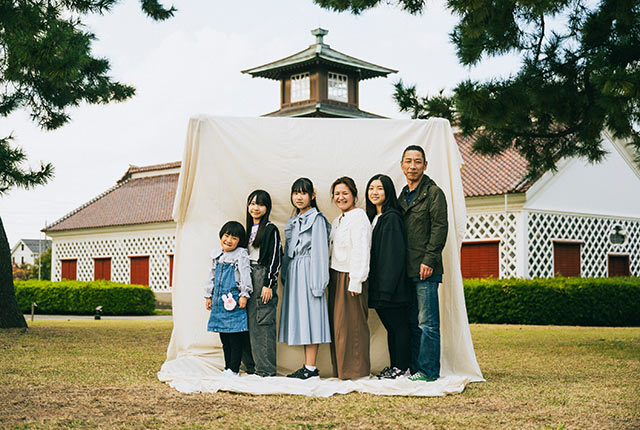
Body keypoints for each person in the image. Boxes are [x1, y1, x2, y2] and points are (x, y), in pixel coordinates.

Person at [398, 145, 448, 382]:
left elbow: (439, 228)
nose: (413, 166)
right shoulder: (402, 195)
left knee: (428, 323)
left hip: (426, 269)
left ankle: (429, 372)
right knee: (413, 323)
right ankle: (417, 369)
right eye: (408, 161)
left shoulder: (434, 193)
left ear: (425, 165)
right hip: (406, 268)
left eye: (418, 161)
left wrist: (429, 260)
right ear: (402, 165)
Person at [278, 178, 332, 379]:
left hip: (309, 272)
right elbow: (287, 252)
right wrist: (285, 275)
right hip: (294, 273)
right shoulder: (293, 221)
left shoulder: (317, 219)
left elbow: (319, 253)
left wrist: (318, 284)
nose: (299, 197)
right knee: (301, 318)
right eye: (295, 193)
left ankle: (311, 368)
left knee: (312, 316)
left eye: (303, 193)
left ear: (312, 195)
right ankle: (307, 366)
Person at [365, 174, 412, 379]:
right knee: (391, 328)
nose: (375, 192)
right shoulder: (375, 218)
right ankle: (396, 367)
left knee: (399, 327)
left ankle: (403, 368)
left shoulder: (391, 217)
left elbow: (393, 255)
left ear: (388, 192)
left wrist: (386, 288)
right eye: (371, 188)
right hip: (380, 286)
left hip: (392, 287)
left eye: (380, 188)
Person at [327, 176, 372, 380]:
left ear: (354, 195)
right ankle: (341, 370)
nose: (341, 197)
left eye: (345, 193)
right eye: (337, 194)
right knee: (339, 327)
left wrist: (356, 279)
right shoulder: (338, 220)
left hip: (351, 277)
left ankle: (356, 371)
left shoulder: (359, 217)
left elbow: (361, 249)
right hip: (336, 275)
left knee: (352, 326)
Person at [241, 190, 282, 377]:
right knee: (245, 323)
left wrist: (269, 283)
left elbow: (275, 258)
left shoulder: (270, 229)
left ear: (267, 208)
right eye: (252, 203)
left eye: (260, 204)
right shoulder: (248, 229)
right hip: (246, 276)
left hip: (261, 275)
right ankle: (250, 366)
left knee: (262, 322)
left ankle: (265, 370)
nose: (255, 208)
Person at [204, 221, 252, 377]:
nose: (229, 240)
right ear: (221, 235)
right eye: (227, 235)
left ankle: (234, 369)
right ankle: (227, 368)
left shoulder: (240, 254)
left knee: (235, 337)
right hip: (219, 300)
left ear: (239, 241)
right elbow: (211, 276)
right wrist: (208, 296)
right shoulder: (217, 255)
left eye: (234, 237)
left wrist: (244, 294)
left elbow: (245, 275)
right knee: (224, 336)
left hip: (234, 299)